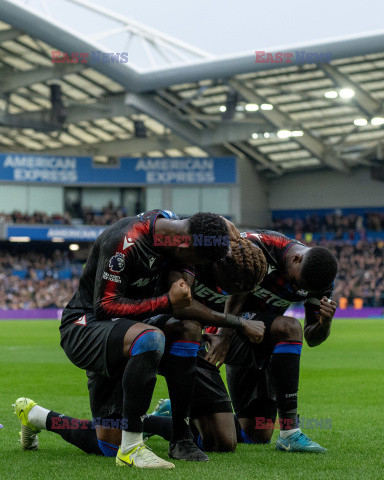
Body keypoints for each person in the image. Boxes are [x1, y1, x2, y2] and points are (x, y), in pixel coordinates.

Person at [14, 211, 266, 467]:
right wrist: (166, 301)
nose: (190, 275)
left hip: (134, 327)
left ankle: (181, 438)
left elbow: (196, 222)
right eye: (193, 262)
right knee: (110, 442)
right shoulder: (125, 241)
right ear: (184, 243)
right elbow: (105, 307)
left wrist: (221, 221)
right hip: (87, 325)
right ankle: (115, 442)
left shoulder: (177, 227)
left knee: (187, 329)